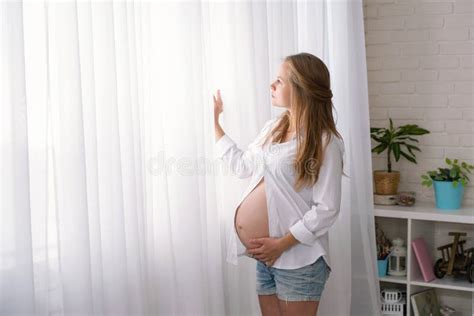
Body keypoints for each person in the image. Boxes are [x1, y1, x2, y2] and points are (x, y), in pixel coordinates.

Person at [213, 52, 346, 316]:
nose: (271, 86)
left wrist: (281, 244)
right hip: (266, 258)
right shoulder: (274, 127)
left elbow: (327, 208)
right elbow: (243, 166)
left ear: (302, 88)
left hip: (299, 259)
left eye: (279, 81)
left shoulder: (325, 142)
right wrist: (215, 122)